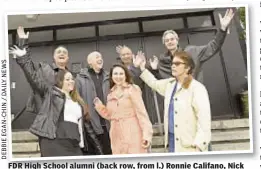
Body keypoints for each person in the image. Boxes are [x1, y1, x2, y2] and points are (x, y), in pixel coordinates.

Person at [9, 46, 103, 157]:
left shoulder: (77, 101)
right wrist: (23, 57)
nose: (71, 81)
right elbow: (33, 78)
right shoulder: (51, 94)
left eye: (72, 79)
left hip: (74, 144)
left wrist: (98, 149)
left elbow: (85, 126)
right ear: (60, 82)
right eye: (67, 79)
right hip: (54, 141)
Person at [135, 51, 211, 152]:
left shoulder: (197, 88)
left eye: (177, 64)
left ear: (187, 68)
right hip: (171, 141)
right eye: (172, 64)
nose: (173, 66)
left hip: (190, 145)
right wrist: (142, 68)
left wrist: (200, 145)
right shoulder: (170, 84)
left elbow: (204, 120)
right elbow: (154, 83)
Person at [152, 8, 235, 82]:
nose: (170, 42)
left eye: (172, 39)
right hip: (177, 97)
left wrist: (222, 29)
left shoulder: (191, 51)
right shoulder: (164, 61)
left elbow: (213, 47)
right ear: (164, 44)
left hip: (194, 95)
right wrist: (155, 70)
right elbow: (164, 82)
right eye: (167, 40)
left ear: (177, 40)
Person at [93, 64, 153, 154]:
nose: (118, 76)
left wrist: (147, 135)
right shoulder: (110, 94)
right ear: (112, 76)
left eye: (121, 74)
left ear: (125, 76)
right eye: (115, 74)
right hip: (116, 136)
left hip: (133, 133)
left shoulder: (132, 89)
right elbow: (110, 115)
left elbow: (142, 113)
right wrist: (99, 106)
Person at [75, 51, 112, 155]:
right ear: (89, 61)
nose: (100, 59)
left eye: (101, 57)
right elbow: (77, 99)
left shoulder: (109, 76)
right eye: (97, 57)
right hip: (91, 126)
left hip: (109, 124)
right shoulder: (80, 78)